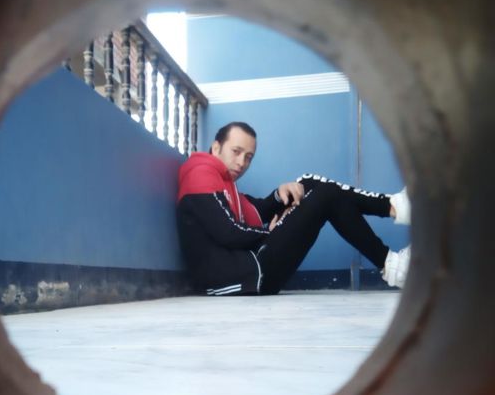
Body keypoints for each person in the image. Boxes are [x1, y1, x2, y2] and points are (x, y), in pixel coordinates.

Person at [176, 121, 411, 296]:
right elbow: (228, 232)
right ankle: (391, 264)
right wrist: (271, 232)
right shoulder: (200, 174)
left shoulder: (224, 182)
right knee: (325, 195)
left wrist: (280, 194)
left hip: (253, 267)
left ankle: (395, 207)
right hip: (242, 277)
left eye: (249, 157)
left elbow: (256, 209)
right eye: (236, 152)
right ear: (216, 147)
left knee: (306, 182)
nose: (242, 163)